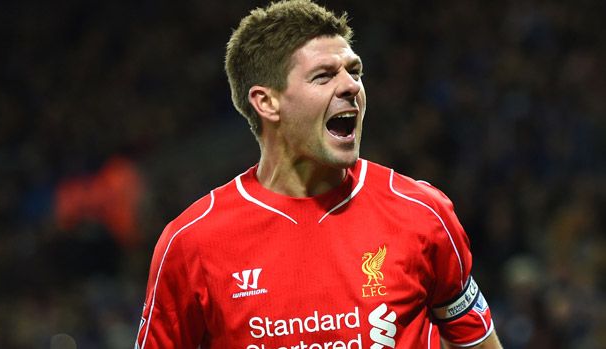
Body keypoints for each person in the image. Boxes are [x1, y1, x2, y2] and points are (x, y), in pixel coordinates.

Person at [135, 0, 503, 348]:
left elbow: (475, 340)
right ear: (267, 102)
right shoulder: (192, 244)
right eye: (324, 76)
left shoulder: (422, 212)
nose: (350, 86)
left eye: (354, 71)